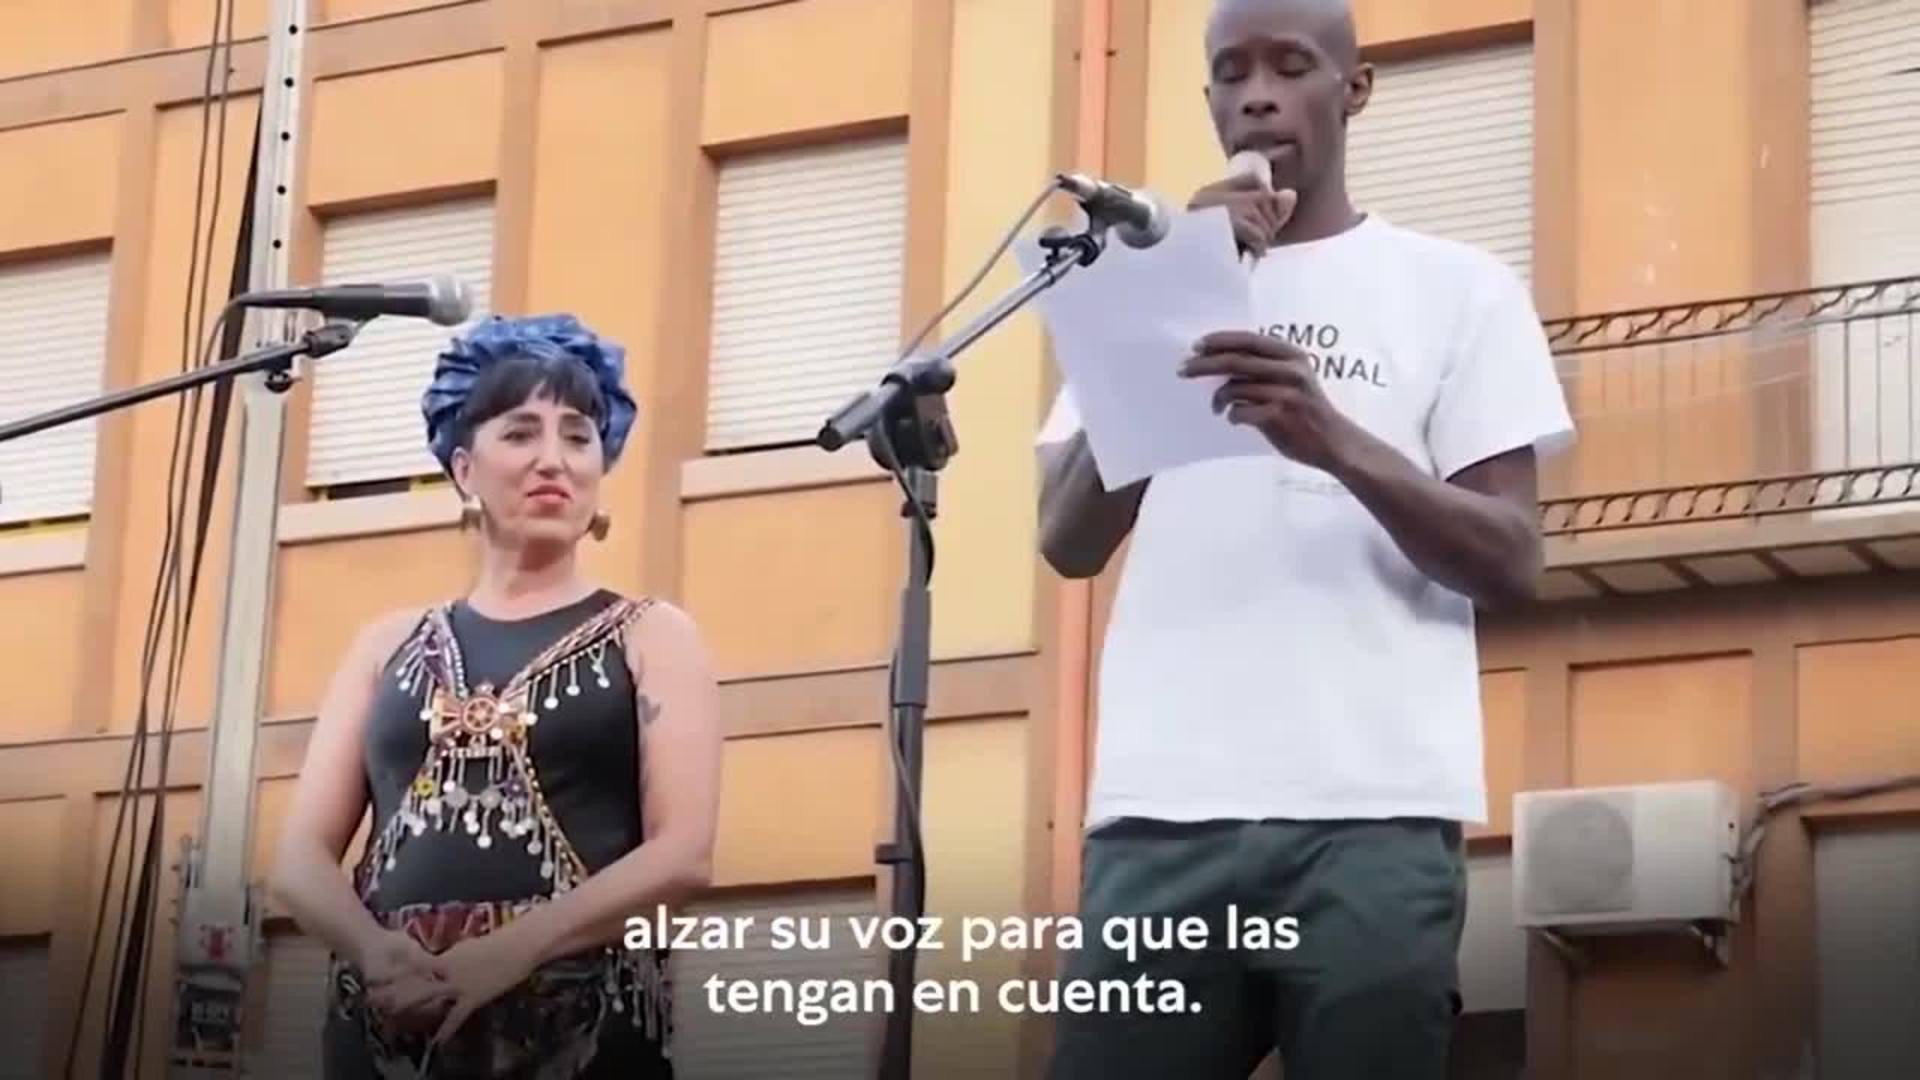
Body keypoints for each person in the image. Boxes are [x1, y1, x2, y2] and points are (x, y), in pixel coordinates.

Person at [1037, 0, 1574, 1077]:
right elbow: (1069, 539)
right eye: (1232, 73)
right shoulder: (1141, 282)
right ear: (1207, 99)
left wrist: (1330, 438)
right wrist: (1171, 300)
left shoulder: (1458, 288)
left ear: (1354, 89)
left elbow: (1513, 558)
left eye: (1290, 66)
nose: (1258, 96)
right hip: (1162, 813)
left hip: (1372, 817)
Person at [271, 313, 722, 1078]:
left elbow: (683, 855)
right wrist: (375, 952)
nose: (554, 460)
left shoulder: (652, 635)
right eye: (520, 434)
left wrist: (509, 952)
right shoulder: (385, 645)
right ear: (463, 469)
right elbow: (297, 861)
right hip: (389, 1030)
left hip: (578, 1031)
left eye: (578, 437)